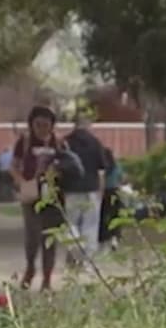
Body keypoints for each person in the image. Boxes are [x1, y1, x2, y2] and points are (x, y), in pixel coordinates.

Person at [11, 105, 68, 291]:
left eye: (46, 124)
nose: (42, 128)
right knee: (32, 236)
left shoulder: (60, 143)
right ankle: (30, 267)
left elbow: (70, 165)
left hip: (53, 195)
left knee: (50, 238)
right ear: (31, 125)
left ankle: (47, 278)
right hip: (32, 195)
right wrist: (21, 182)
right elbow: (14, 166)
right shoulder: (25, 142)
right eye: (38, 124)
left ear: (52, 125)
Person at [62, 116, 107, 266]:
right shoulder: (95, 142)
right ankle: (87, 261)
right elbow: (101, 170)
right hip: (91, 189)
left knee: (71, 223)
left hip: (71, 189)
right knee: (91, 225)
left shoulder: (65, 142)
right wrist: (101, 190)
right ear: (88, 126)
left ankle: (75, 250)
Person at [98, 145, 124, 253]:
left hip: (103, 193)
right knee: (115, 216)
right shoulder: (116, 166)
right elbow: (121, 178)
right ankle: (115, 237)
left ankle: (102, 239)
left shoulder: (102, 167)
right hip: (115, 192)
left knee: (102, 217)